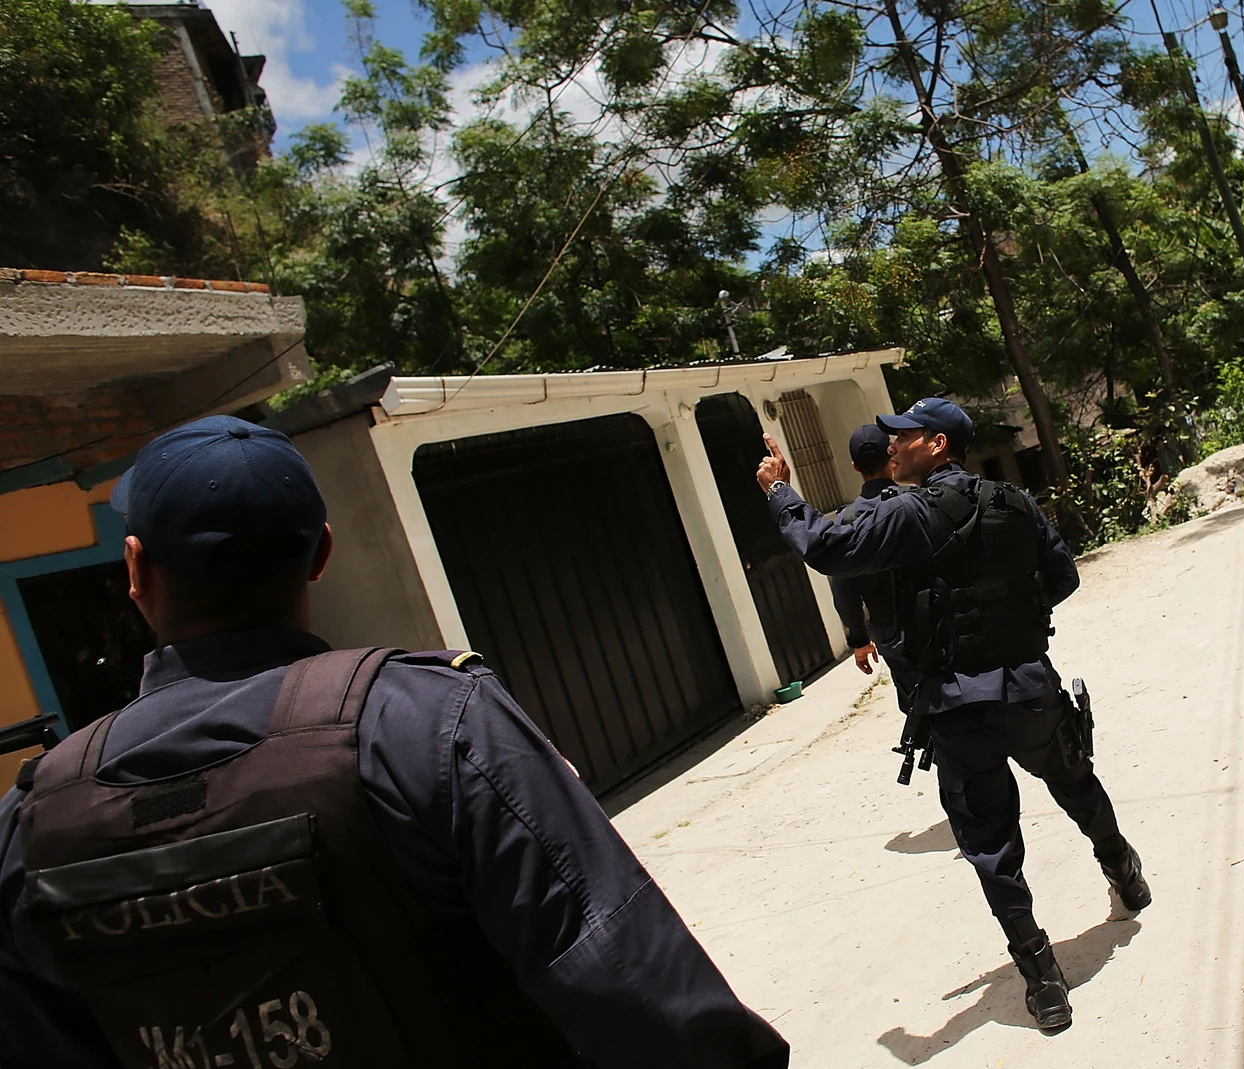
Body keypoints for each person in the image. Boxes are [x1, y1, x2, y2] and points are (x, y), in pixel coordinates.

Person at [0, 415, 788, 1069]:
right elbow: (638, 988)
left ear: (135, 569)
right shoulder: (426, 723)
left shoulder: (31, 819)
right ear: (320, 553)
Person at [755, 398, 1148, 1036]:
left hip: (959, 709)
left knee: (991, 845)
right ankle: (1125, 872)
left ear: (936, 445)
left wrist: (780, 493)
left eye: (902, 439)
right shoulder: (1015, 501)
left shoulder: (907, 513)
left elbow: (824, 546)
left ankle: (1042, 976)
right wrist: (1010, 623)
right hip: (1030, 687)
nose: (892, 448)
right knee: (1076, 780)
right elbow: (1064, 577)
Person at [826, 424, 917, 707]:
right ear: (892, 457)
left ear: (855, 466)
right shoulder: (918, 500)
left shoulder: (846, 520)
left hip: (890, 632)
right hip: (936, 619)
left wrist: (858, 637)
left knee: (917, 707)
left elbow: (843, 587)